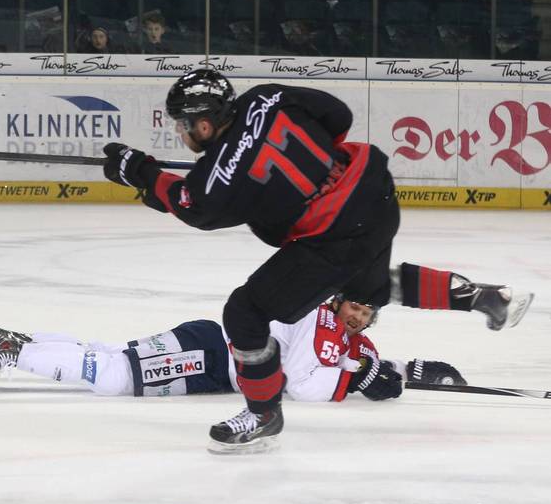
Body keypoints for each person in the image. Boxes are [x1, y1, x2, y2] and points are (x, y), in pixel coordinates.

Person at [100, 69, 534, 453]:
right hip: (372, 193)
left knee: (245, 313)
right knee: (370, 286)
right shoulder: (265, 97)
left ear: (205, 122)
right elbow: (338, 116)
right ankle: (483, 297)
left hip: (334, 235)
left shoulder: (218, 177)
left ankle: (263, 414)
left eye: (183, 124)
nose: (181, 133)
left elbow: (193, 204)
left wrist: (137, 171)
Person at [0, 298, 467, 405]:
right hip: (210, 356)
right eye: (355, 305)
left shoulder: (350, 339)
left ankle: (17, 340)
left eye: (367, 313)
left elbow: (356, 362)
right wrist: (359, 381)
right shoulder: (322, 321)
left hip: (210, 354)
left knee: (112, 356)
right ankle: (8, 351)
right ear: (340, 300)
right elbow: (304, 384)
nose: (359, 317)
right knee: (115, 376)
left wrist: (409, 368)